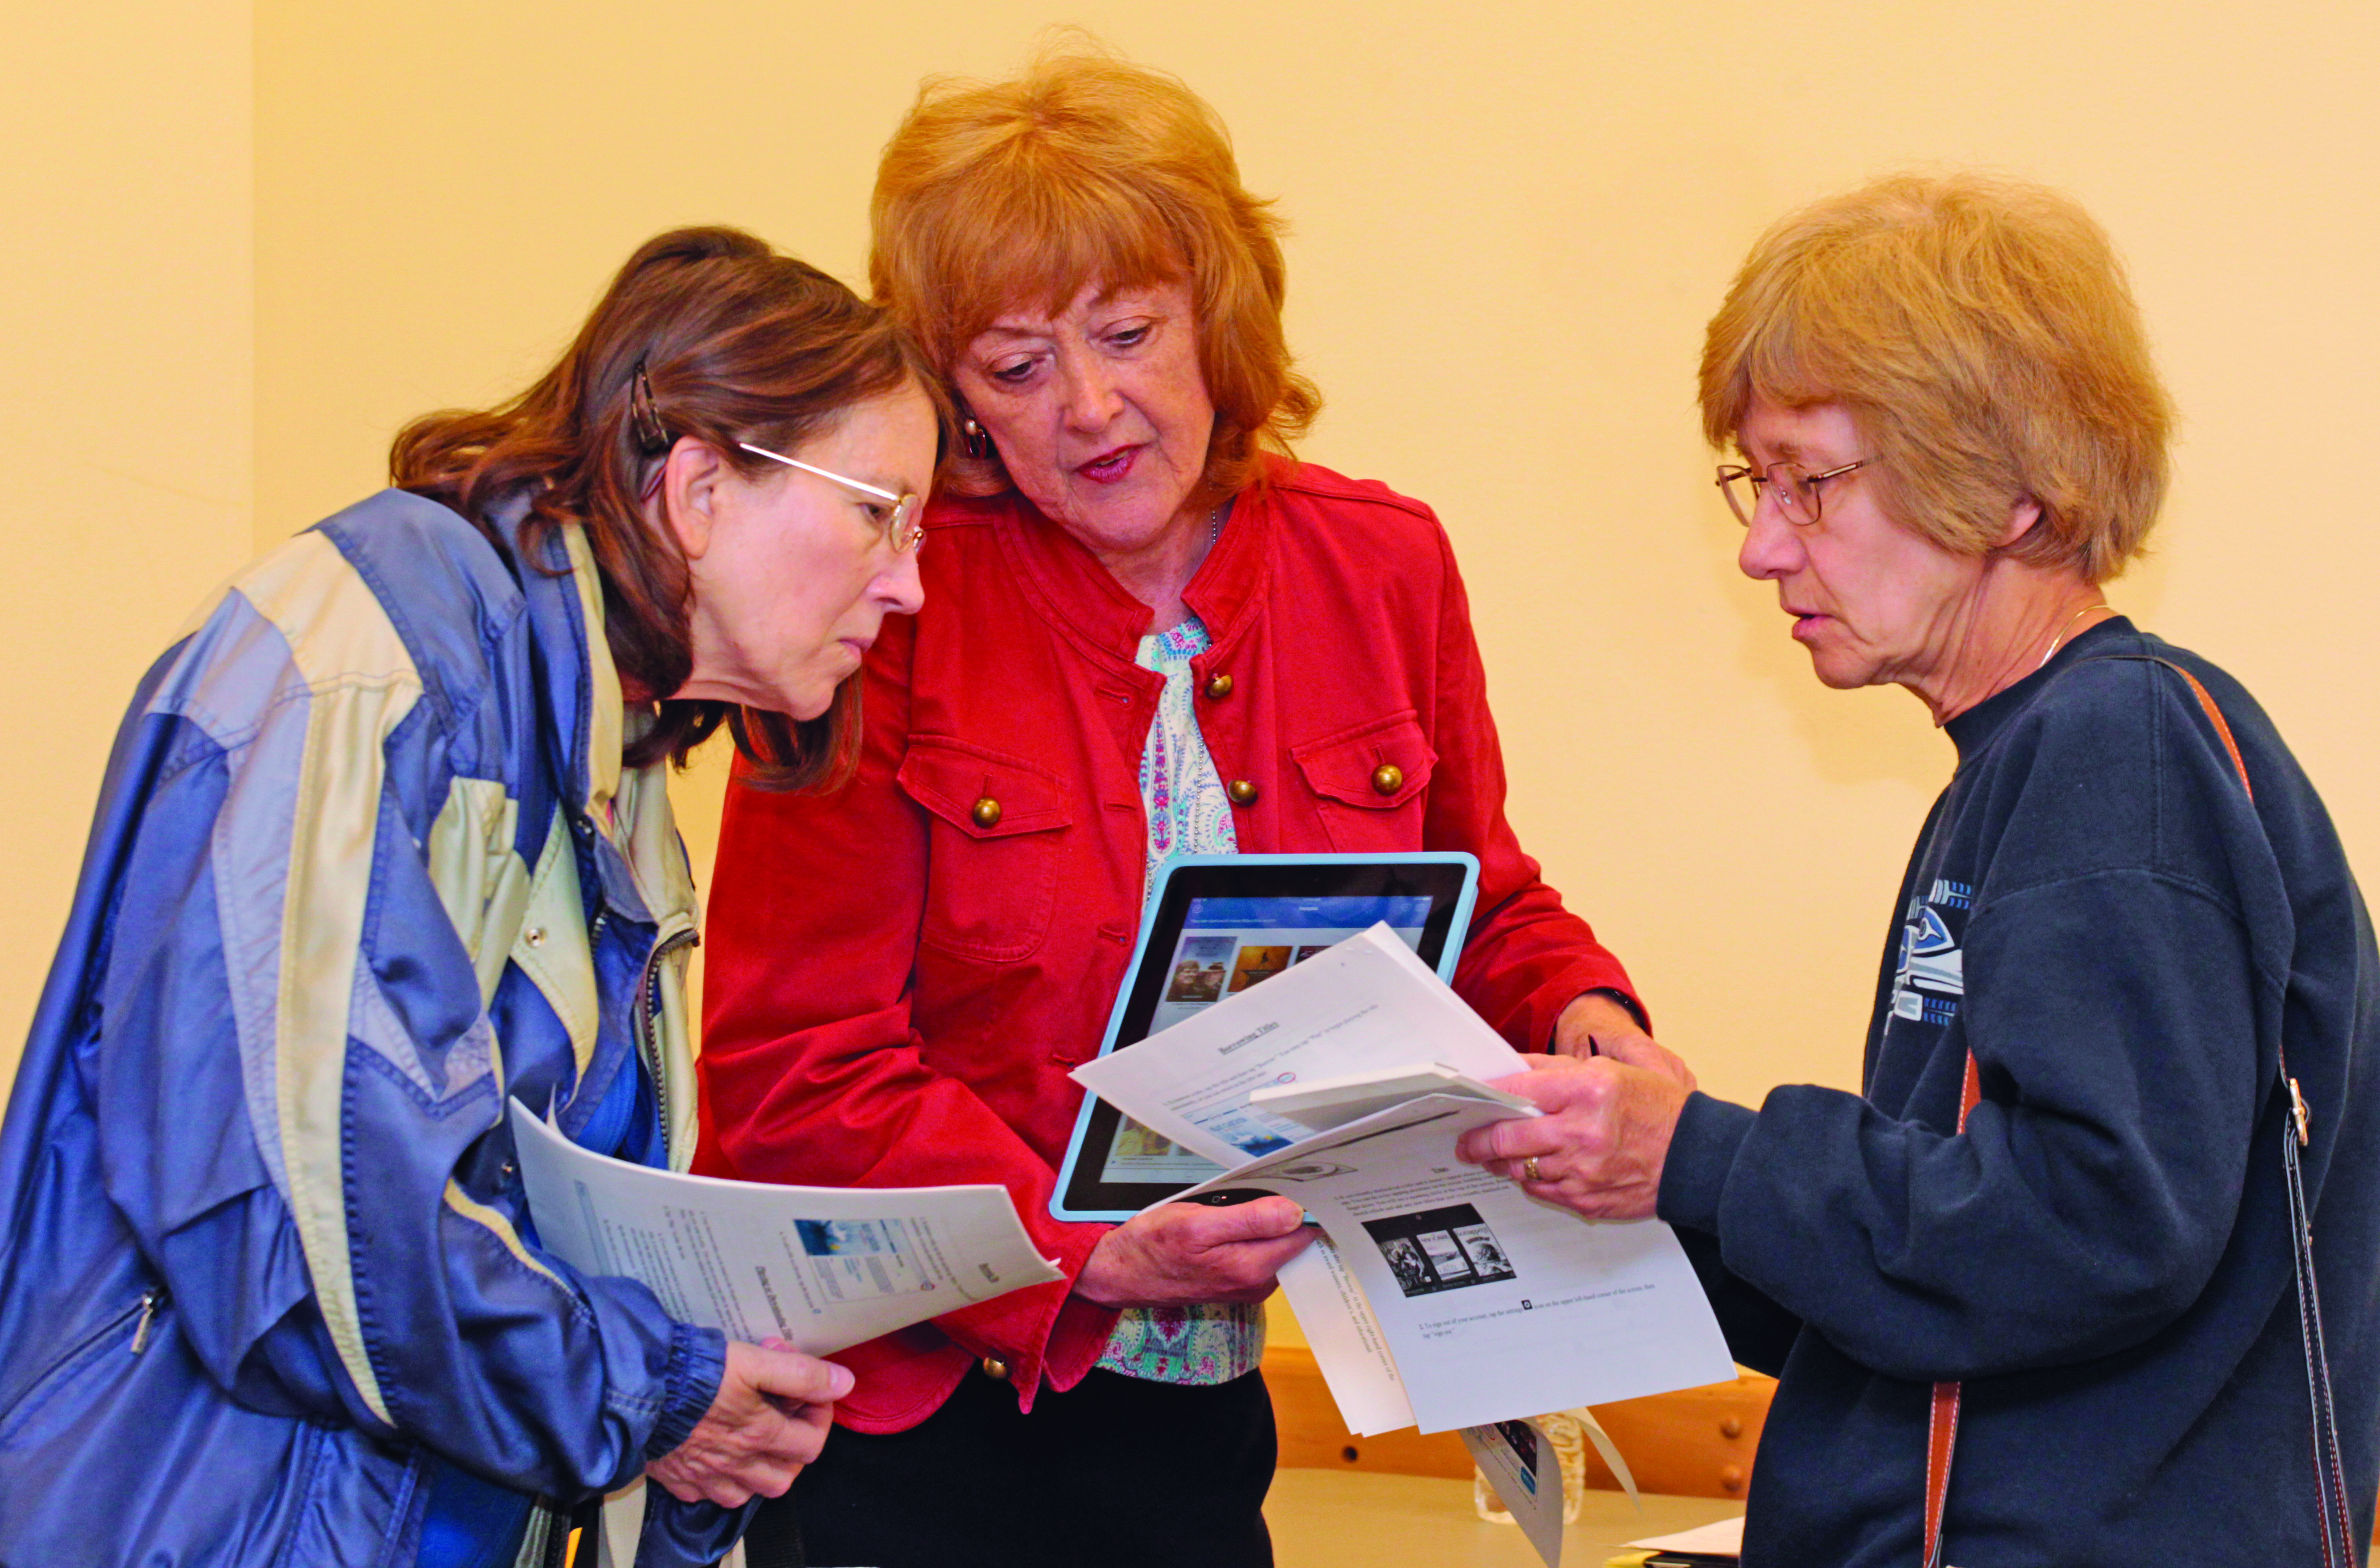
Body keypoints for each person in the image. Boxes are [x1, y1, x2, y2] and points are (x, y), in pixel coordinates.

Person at [693, 49, 1653, 1568]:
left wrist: (1577, 1002)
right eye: (1015, 367)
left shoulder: (1380, 564)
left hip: (1204, 1404)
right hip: (921, 1412)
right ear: (952, 401)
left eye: (1132, 333)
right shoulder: (890, 598)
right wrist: (1082, 1249)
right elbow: (791, 1070)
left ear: (1223, 312)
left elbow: (1478, 905)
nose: (1090, 407)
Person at [1460, 173, 2380, 1564]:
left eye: (1809, 482)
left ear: (2006, 483)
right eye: (1753, 487)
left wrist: (1709, 1159)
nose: (1764, 548)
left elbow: (2102, 1227)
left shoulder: (2114, 751)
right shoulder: (2030, 760)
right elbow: (1953, 1279)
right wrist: (1666, 1181)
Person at [0, 227, 936, 1567]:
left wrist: (697, 1422)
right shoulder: (374, 664)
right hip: (194, 1516)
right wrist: (656, 1394)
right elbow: (303, 1222)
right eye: (877, 511)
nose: (906, 580)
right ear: (699, 487)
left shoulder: (621, 762)